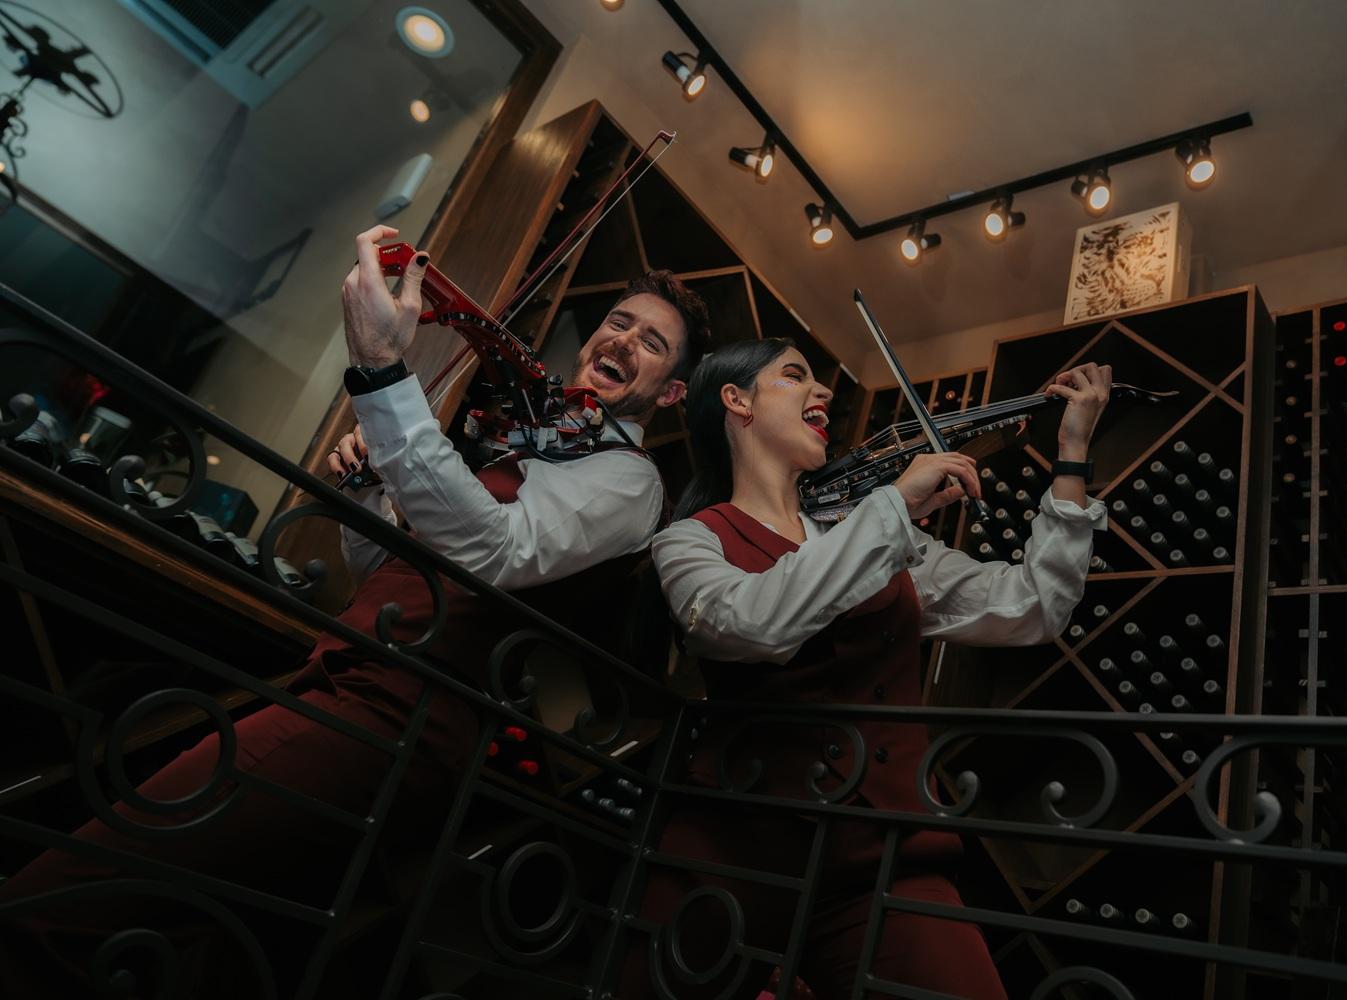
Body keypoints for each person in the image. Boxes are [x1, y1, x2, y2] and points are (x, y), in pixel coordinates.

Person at [0, 224, 710, 997]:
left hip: (401, 714)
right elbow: (395, 574)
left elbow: (494, 552)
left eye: (653, 343)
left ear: (672, 392)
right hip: (350, 678)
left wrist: (381, 375)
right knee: (193, 936)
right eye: (618, 322)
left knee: (77, 887)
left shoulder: (629, 481)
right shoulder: (532, 447)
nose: (623, 340)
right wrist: (370, 496)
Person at [629, 337, 1110, 999]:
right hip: (731, 850)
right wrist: (890, 509)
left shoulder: (877, 535)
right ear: (736, 401)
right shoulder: (691, 540)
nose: (823, 391)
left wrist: (1073, 452)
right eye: (795, 375)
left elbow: (1033, 606)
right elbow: (750, 624)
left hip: (883, 854)